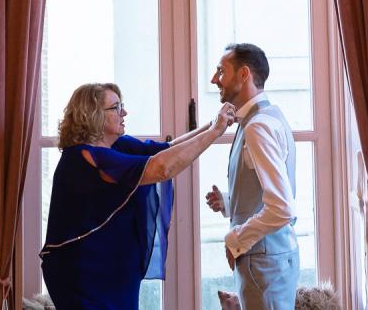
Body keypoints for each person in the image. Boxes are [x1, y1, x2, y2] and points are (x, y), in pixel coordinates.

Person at [41, 82, 235, 309]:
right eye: (116, 107)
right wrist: (215, 131)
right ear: (93, 115)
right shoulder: (85, 156)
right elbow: (162, 168)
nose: (124, 112)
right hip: (86, 272)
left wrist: (213, 125)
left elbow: (167, 149)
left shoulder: (116, 145)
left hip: (114, 268)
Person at [205, 43, 299, 310]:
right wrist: (230, 202)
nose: (214, 79)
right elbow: (272, 189)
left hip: (263, 264)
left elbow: (281, 208)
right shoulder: (267, 117)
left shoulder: (258, 126)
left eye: (221, 71)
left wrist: (236, 239)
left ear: (244, 74)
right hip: (268, 260)